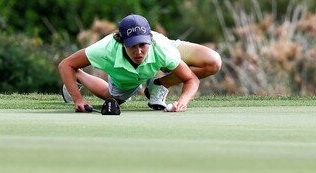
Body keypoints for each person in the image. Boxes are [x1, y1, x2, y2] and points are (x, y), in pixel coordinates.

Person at [58, 14, 222, 112]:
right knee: (113, 98)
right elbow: (66, 64)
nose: (138, 52)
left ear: (150, 38)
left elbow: (191, 79)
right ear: (121, 42)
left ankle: (159, 85)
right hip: (125, 76)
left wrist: (182, 101)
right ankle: (78, 76)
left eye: (142, 45)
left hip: (160, 54)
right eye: (132, 46)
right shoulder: (105, 49)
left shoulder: (162, 48)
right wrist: (78, 99)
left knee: (213, 62)